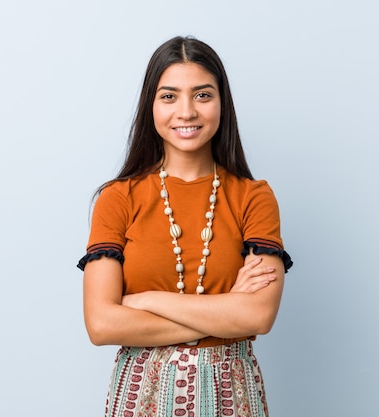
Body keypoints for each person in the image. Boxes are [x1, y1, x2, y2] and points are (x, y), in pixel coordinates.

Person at [77, 35, 292, 417]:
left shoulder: (253, 197)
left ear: (222, 103)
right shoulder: (118, 198)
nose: (187, 111)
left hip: (232, 396)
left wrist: (144, 302)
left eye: (203, 95)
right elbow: (101, 323)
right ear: (151, 105)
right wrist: (223, 316)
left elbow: (257, 316)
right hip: (140, 397)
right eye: (169, 96)